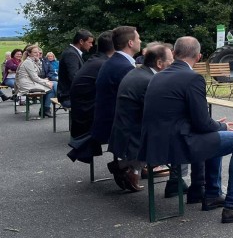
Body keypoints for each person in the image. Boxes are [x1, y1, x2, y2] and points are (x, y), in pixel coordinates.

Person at [140, 36, 233, 223]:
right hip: (178, 145)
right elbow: (201, 123)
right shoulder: (192, 78)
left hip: (155, 143)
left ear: (174, 54)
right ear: (199, 57)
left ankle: (213, 194)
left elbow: (184, 116)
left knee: (214, 135)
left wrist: (212, 125)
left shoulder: (158, 76)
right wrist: (220, 125)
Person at [107, 42, 173, 192]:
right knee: (183, 136)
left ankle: (127, 167)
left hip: (124, 130)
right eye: (171, 61)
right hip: (134, 135)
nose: (174, 64)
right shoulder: (150, 80)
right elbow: (160, 113)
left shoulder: (139, 72)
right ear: (160, 63)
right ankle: (177, 183)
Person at [91, 26, 142, 191]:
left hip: (106, 120)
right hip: (115, 124)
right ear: (130, 43)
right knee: (170, 127)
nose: (140, 41)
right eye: (138, 38)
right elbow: (134, 100)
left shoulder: (114, 62)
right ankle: (129, 166)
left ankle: (132, 165)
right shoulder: (124, 67)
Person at [66, 31, 114, 164]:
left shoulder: (96, 60)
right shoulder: (105, 64)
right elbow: (72, 76)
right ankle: (132, 166)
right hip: (88, 120)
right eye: (90, 42)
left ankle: (131, 166)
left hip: (81, 115)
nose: (92, 45)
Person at [15, 44, 55, 117]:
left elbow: (39, 73)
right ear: (29, 53)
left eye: (38, 52)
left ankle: (45, 109)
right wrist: (46, 83)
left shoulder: (33, 61)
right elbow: (35, 78)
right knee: (53, 86)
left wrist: (38, 61)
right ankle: (46, 109)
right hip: (27, 85)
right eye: (35, 52)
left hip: (31, 82)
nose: (37, 54)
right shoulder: (28, 62)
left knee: (53, 84)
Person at [58, 30, 94, 107]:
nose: (91, 45)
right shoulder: (71, 54)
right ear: (81, 41)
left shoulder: (73, 52)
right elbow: (74, 77)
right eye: (90, 42)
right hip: (69, 97)